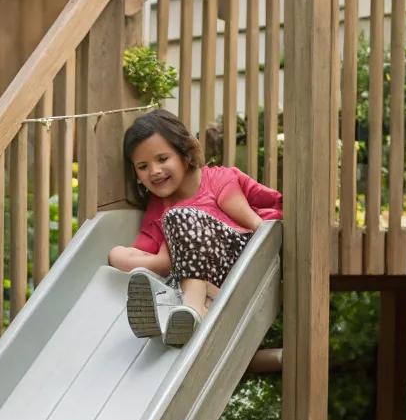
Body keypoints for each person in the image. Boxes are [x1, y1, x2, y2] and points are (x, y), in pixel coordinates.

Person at [107, 109, 282, 347]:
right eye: (143, 166)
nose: (154, 171)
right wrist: (148, 260)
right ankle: (180, 310)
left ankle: (192, 308)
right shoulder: (158, 207)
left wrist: (164, 259)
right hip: (195, 278)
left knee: (178, 217)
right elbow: (143, 247)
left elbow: (258, 225)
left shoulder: (219, 179)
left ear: (185, 154)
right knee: (117, 253)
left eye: (162, 159)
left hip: (239, 265)